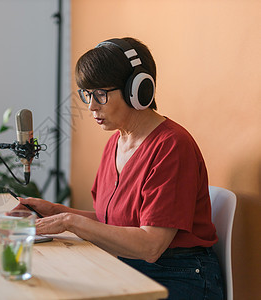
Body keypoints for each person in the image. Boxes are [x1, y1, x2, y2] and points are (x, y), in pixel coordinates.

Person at [15, 37, 224, 299]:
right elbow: (113, 223)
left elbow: (150, 246)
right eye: (87, 94)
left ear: (137, 90)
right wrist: (56, 212)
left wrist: (70, 222)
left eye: (101, 94)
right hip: (131, 266)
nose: (91, 106)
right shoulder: (115, 142)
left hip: (179, 275)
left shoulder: (172, 146)